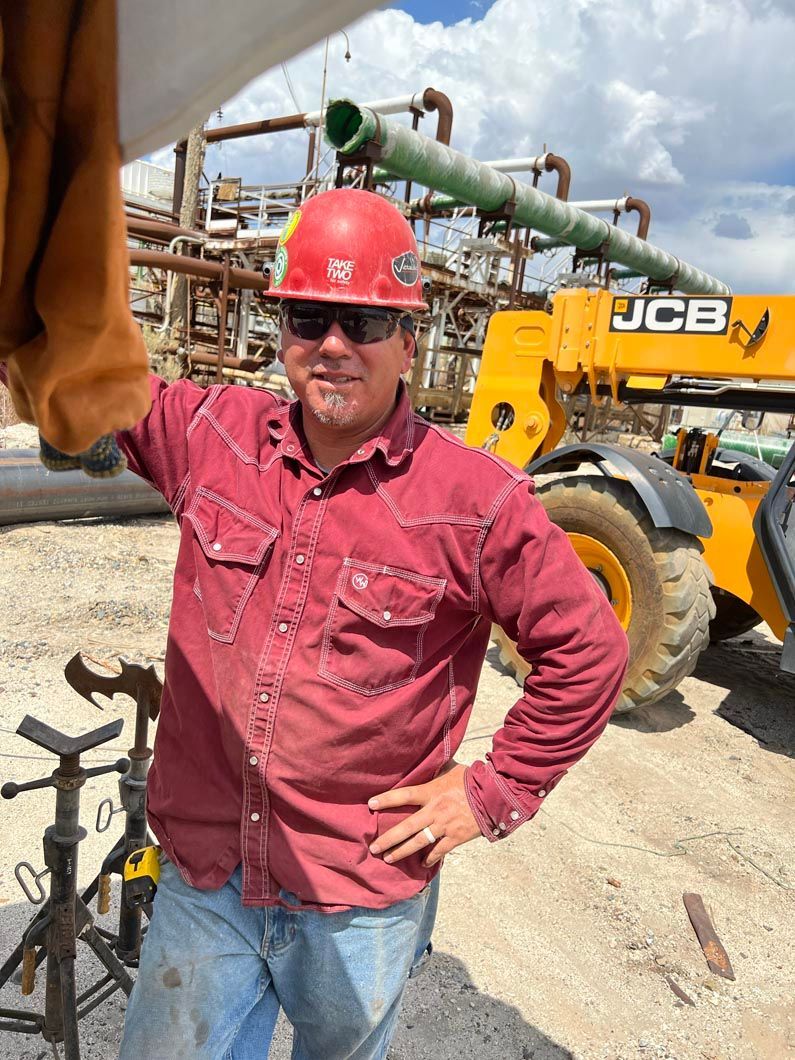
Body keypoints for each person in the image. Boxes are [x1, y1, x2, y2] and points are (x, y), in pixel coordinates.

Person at [113, 187, 628, 1059]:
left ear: (408, 340)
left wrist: (491, 793)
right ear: (282, 332)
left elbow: (588, 651)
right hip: (208, 874)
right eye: (311, 318)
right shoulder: (211, 436)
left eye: (363, 322)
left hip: (360, 892)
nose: (334, 347)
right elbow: (83, 376)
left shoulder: (473, 501)